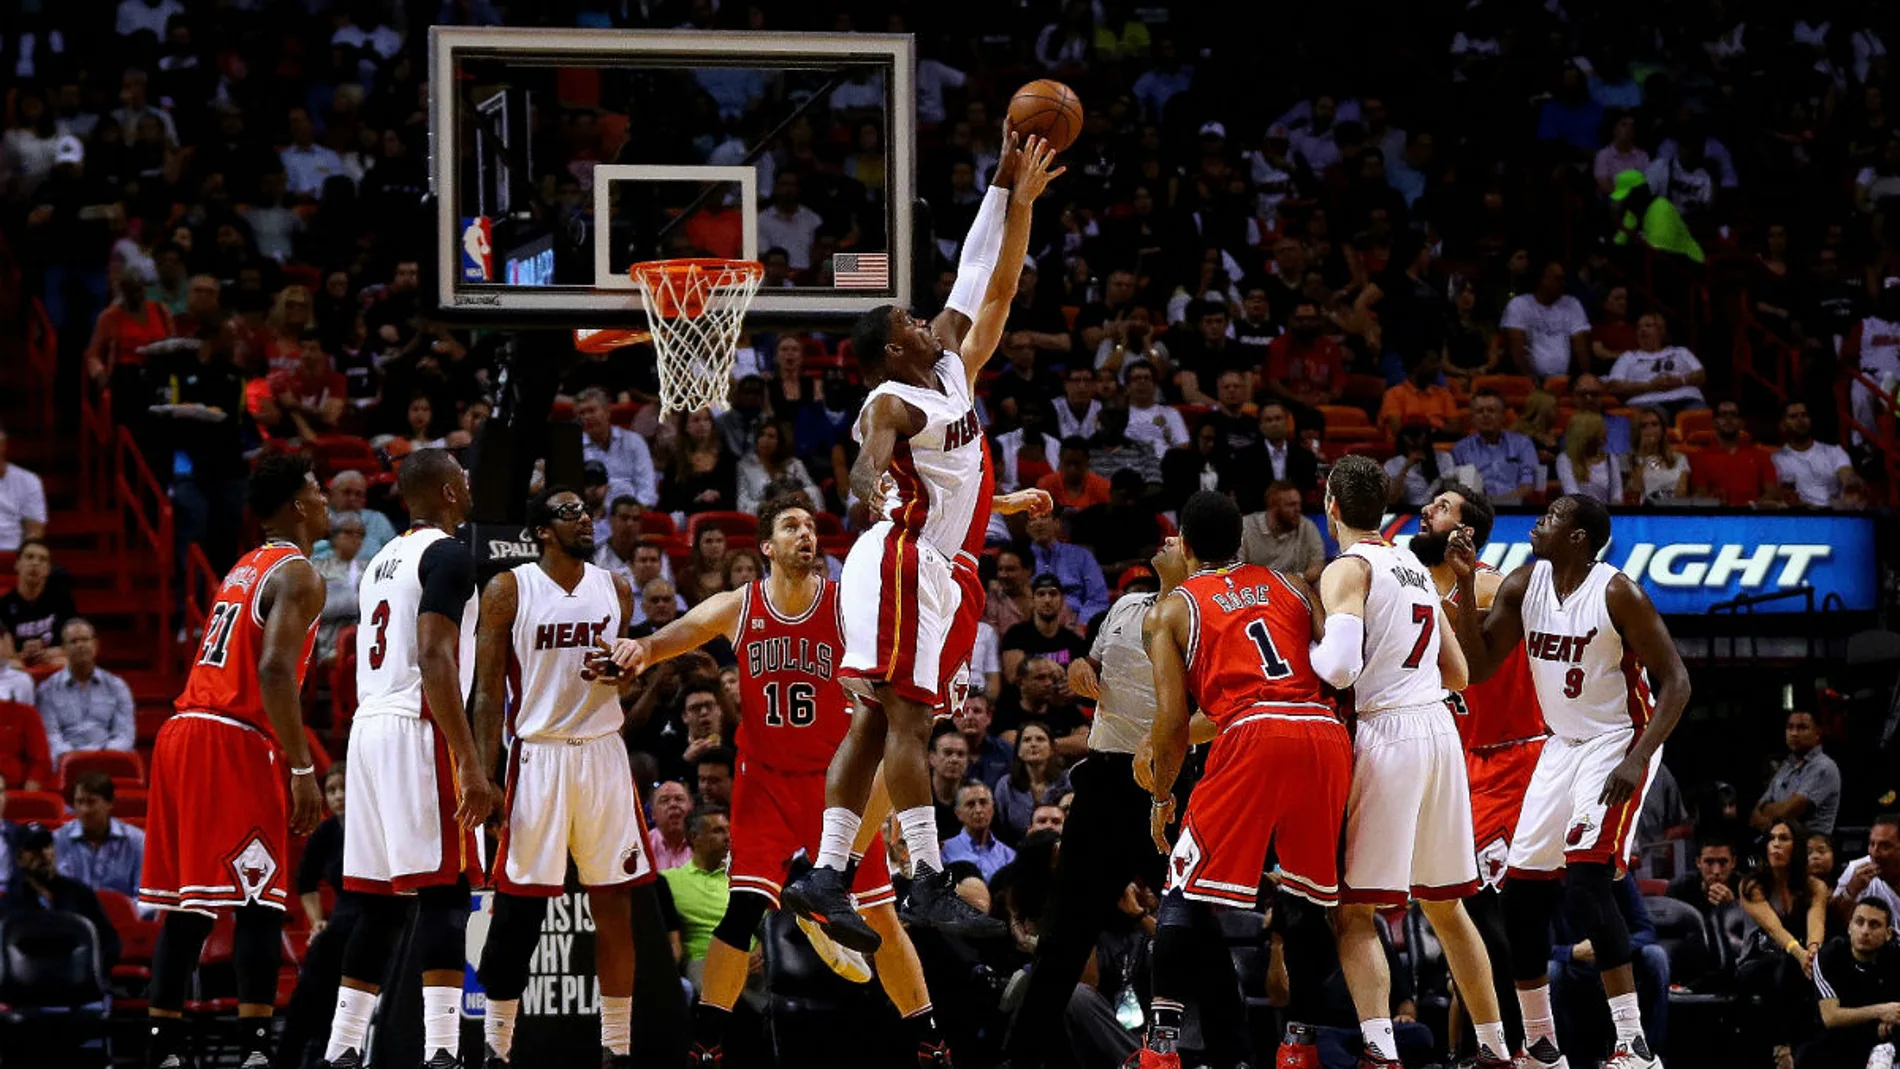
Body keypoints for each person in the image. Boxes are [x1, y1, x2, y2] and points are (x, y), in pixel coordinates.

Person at [782, 135, 1062, 958]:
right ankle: (930, 877)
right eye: (909, 320)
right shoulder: (891, 396)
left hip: (935, 561)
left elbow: (987, 276)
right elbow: (877, 450)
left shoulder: (948, 372)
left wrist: (1009, 189)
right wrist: (869, 481)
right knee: (907, 718)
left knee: (876, 722)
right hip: (902, 556)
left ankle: (825, 873)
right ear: (894, 349)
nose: (923, 318)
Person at [609, 496, 954, 1067]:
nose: (806, 534)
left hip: (834, 783)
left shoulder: (845, 605)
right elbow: (676, 635)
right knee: (742, 910)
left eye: (811, 526)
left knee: (879, 913)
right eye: (791, 526)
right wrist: (640, 649)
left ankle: (930, 1041)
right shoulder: (739, 605)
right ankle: (706, 1044)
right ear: (766, 546)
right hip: (763, 779)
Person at [1447, 493, 1693, 1069]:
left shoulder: (1618, 592)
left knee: (1586, 881)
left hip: (1618, 740)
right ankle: (1541, 1045)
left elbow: (1677, 682)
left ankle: (1633, 1044)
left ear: (1579, 538)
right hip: (1559, 745)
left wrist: (1636, 759)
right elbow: (1478, 667)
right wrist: (1464, 583)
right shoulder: (1523, 583)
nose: (1540, 522)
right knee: (1521, 895)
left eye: (1553, 517)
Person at [1130, 493, 1347, 1069]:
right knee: (1305, 897)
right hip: (1321, 731)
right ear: (1241, 542)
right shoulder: (1293, 585)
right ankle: (1299, 1045)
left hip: (1251, 735)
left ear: (1186, 543)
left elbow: (1173, 725)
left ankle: (1160, 1051)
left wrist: (1161, 796)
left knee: (1184, 890)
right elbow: (1335, 668)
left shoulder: (1171, 611)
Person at [1310, 456, 1512, 1068]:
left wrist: (1309, 644)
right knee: (1446, 906)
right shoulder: (1414, 567)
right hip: (1440, 732)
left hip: (1388, 733)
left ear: (1331, 505)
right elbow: (1460, 673)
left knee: (1355, 911)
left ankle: (1380, 1050)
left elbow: (1338, 668)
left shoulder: (1349, 568)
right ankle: (1496, 1048)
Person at [139, 453, 328, 1069]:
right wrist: (302, 768)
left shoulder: (246, 565)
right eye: (318, 490)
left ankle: (162, 1050)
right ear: (297, 505)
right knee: (260, 898)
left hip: (183, 731)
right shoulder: (299, 573)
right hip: (230, 736)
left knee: (191, 905)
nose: (326, 499)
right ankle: (255, 1051)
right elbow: (273, 671)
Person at [468, 486, 650, 1069]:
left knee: (614, 903)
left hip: (603, 753)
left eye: (586, 510)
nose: (585, 518)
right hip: (537, 757)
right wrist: (483, 775)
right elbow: (488, 691)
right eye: (569, 512)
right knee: (518, 912)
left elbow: (628, 674)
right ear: (542, 531)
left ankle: (617, 1048)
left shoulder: (616, 587)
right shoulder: (509, 588)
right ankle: (497, 1047)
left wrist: (623, 675)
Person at [326, 449, 494, 1069]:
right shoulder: (449, 554)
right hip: (415, 727)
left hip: (367, 729)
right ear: (449, 491)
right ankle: (442, 1052)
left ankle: (342, 1048)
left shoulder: (379, 561)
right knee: (447, 892)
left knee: (378, 902)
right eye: (462, 476)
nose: (469, 484)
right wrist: (469, 759)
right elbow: (434, 656)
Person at [1001, 539, 1177, 1069]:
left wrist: (1162, 745)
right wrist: (1081, 666)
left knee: (1190, 923)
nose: (1165, 542)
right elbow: (1090, 662)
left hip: (1164, 779)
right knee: (1063, 935)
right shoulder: (1124, 608)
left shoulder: (1198, 614)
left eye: (1175, 540)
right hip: (1104, 779)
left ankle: (1225, 1050)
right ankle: (1018, 1060)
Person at [1408, 483, 1545, 1056]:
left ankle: (1516, 1047)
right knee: (1460, 913)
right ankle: (1484, 1047)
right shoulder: (1418, 588)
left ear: (1465, 532)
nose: (1426, 510)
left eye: (1442, 507)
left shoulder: (1491, 588)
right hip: (1458, 763)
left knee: (1493, 917)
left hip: (1510, 758)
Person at [1738, 818, 1831, 1069]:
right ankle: (1782, 1050)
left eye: (1784, 839)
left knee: (1814, 965)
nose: (1775, 845)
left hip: (1797, 962)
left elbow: (1816, 922)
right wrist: (1800, 954)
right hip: (1755, 961)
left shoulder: (1815, 886)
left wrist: (1813, 952)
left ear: (1797, 846)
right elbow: (1773, 928)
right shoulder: (1751, 885)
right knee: (1785, 964)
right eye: (1771, 839)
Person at [1801, 897, 1900, 1069]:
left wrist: (1892, 1019)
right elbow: (1831, 1017)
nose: (1865, 931)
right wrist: (1882, 1011)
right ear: (1849, 927)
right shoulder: (1828, 957)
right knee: (1810, 1053)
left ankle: (1887, 1050)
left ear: (1888, 933)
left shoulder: (1895, 957)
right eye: (1859, 922)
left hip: (1884, 1035)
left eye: (1874, 925)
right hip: (1842, 1034)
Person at [36, 618, 135, 759]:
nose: (80, 645)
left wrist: (103, 756)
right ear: (63, 649)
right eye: (73, 641)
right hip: (67, 761)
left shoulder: (117, 686)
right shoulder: (47, 689)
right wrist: (76, 758)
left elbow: (125, 735)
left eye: (85, 640)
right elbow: (51, 736)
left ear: (95, 644)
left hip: (109, 760)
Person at [659, 806, 732, 981]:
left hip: (748, 958)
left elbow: (766, 924)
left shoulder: (742, 878)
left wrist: (761, 952)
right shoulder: (668, 880)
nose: (728, 837)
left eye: (729, 830)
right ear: (694, 837)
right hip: (703, 960)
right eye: (718, 831)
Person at [53, 770, 144, 898]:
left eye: (91, 802)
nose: (84, 810)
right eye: (79, 802)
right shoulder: (57, 839)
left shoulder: (136, 841)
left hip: (121, 910)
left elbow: (143, 897)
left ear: (110, 803)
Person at [1752, 710, 1843, 837]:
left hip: (1810, 845)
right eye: (1790, 727)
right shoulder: (1786, 766)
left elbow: (1788, 812)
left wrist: (1769, 810)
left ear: (1818, 733)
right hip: (1777, 842)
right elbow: (1756, 814)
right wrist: (1771, 814)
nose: (1794, 733)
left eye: (1802, 728)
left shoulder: (1824, 767)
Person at [1501, 262, 1591, 384]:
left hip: (1565, 380)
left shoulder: (1572, 304)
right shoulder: (1519, 304)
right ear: (1543, 279)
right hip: (1528, 380)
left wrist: (1585, 378)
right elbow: (1517, 350)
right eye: (1558, 279)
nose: (1563, 283)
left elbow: (1580, 348)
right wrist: (1531, 381)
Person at [1605, 315, 1708, 420]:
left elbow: (1701, 375)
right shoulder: (1628, 357)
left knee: (1698, 415)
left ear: (1661, 331)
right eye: (1639, 327)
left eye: (1648, 325)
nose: (1642, 330)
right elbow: (1614, 385)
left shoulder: (1680, 352)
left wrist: (1680, 380)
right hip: (1647, 402)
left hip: (1687, 399)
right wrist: (1649, 386)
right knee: (1655, 418)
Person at [1452, 389, 1544, 504]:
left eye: (1491, 410)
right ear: (1472, 418)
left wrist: (1499, 502)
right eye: (1480, 411)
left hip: (1517, 508)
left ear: (1503, 415)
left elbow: (1532, 484)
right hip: (1478, 510)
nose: (1485, 415)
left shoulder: (1523, 443)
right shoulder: (1460, 449)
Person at [989, 721, 1070, 845]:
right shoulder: (1005, 785)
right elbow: (1000, 829)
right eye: (1027, 740)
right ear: (1018, 750)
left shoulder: (1068, 781)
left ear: (1052, 749)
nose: (1033, 744)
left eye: (1040, 739)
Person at [575, 387, 658, 507]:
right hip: (592, 512)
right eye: (582, 413)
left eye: (592, 411)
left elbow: (647, 487)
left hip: (632, 512)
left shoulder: (634, 441)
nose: (587, 417)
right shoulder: (573, 448)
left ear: (607, 412)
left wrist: (634, 511)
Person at [1689, 400, 1782, 506]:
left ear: (1742, 423)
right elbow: (1700, 494)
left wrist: (1751, 508)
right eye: (1723, 415)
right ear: (1714, 423)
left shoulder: (1760, 455)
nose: (1728, 419)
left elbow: (1772, 493)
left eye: (1733, 415)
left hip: (1752, 513)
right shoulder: (1701, 457)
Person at [1025, 512, 1112, 624]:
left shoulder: (1081, 556)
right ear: (1027, 527)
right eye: (1032, 519)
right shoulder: (1020, 560)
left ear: (1057, 523)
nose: (1039, 523)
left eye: (1044, 517)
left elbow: (1098, 599)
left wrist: (1081, 624)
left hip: (1076, 624)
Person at [1002, 574, 1092, 680]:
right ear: (1032, 599)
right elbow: (1013, 678)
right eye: (1041, 594)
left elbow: (1082, 681)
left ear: (1062, 600)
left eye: (1053, 594)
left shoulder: (1074, 641)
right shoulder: (1016, 636)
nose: (1047, 600)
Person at [1773, 401, 1861, 509]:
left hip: (1833, 512)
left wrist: (1850, 481)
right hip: (1799, 514)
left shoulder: (1834, 451)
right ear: (1782, 425)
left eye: (1804, 415)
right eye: (1793, 416)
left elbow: (1846, 474)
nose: (1800, 420)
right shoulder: (1777, 459)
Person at [3, 539, 76, 667]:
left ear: (48, 569)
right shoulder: (3, 605)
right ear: (17, 564)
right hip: (19, 670)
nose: (35, 563)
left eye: (42, 559)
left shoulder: (62, 601)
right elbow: (5, 655)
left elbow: (79, 641)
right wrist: (22, 655)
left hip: (52, 665)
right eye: (29, 557)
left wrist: (49, 653)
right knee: (11, 664)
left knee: (65, 661)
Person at [1240, 480, 1324, 584]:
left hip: (1296, 587)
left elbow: (1317, 564)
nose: (1298, 509)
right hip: (1257, 587)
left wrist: (1298, 579)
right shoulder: (1246, 527)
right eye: (1291, 505)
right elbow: (1236, 569)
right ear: (1273, 506)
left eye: (1299, 504)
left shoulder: (1306, 526)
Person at [1832, 815, 1900, 926]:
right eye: (1872, 844)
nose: (1874, 853)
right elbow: (1836, 922)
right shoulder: (1856, 869)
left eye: (1885, 846)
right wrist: (1851, 891)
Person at [942, 781, 1016, 883]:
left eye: (983, 802)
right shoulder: (944, 851)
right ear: (958, 813)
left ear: (992, 809)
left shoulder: (1008, 855)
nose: (978, 810)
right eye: (970, 804)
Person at [322, 472, 397, 562]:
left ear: (364, 499)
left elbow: (394, 552)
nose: (352, 498)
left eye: (358, 494)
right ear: (331, 495)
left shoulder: (377, 520)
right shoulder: (321, 518)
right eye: (346, 492)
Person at [1624, 409, 1691, 504]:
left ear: (1662, 429)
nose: (1650, 429)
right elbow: (1634, 494)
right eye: (1643, 426)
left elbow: (1681, 494)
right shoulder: (1629, 460)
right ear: (1637, 431)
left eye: (1654, 424)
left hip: (1672, 509)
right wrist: (1641, 456)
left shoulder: (1679, 458)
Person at [0, 423, 47, 551]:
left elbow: (34, 530)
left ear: (3, 443)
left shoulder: (28, 481)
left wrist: (25, 555)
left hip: (14, 554)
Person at [1557, 411, 1623, 504]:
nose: (1605, 432)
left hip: (1605, 511)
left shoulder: (1611, 459)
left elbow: (1617, 495)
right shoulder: (1565, 459)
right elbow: (1572, 494)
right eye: (1600, 429)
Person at [1666, 837, 1740, 919]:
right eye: (1709, 862)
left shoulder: (1744, 888)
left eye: (1723, 863)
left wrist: (1734, 907)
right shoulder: (1679, 888)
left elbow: (1749, 925)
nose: (1716, 871)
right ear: (1698, 862)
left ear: (1733, 862)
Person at [954, 693, 1013, 790]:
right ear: (954, 718)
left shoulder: (1007, 752)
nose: (970, 717)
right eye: (964, 711)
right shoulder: (942, 753)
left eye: (977, 711)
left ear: (989, 717)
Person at [646, 780, 694, 873]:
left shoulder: (705, 844)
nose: (673, 804)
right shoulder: (643, 848)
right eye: (664, 800)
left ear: (691, 807)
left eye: (679, 799)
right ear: (652, 813)